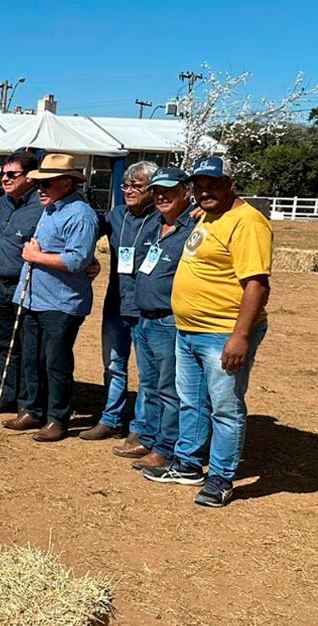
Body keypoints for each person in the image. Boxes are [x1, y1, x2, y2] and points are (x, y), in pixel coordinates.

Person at [143, 157, 273, 508]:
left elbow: (257, 285)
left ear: (231, 183)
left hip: (222, 332)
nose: (204, 191)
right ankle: (187, 463)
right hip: (189, 330)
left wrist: (240, 336)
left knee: (225, 408)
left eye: (212, 184)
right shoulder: (210, 216)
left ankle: (221, 477)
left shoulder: (247, 223)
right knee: (192, 401)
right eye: (198, 186)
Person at [1, 153, 98, 441]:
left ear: (67, 183)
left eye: (48, 183)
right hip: (32, 297)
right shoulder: (51, 208)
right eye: (39, 183)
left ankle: (57, 418)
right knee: (32, 358)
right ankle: (33, 409)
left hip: (61, 302)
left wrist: (36, 256)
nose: (41, 188)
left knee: (55, 362)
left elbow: (77, 260)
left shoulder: (80, 214)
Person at [116, 166, 195, 469]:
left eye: (169, 191)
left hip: (169, 320)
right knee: (148, 384)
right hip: (144, 319)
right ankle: (146, 436)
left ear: (185, 192)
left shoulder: (194, 227)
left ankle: (166, 447)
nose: (162, 196)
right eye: (158, 191)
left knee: (170, 389)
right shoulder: (154, 224)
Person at [81, 161, 159, 441]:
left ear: (152, 189)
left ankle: (141, 428)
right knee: (114, 364)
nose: (128, 190)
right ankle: (110, 419)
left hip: (149, 310)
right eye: (125, 185)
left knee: (149, 374)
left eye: (136, 186)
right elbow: (84, 230)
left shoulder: (162, 218)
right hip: (116, 303)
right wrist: (88, 259)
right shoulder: (116, 215)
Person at [0, 151, 42, 417]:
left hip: (27, 285)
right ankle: (5, 394)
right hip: (0, 285)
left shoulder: (41, 205)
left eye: (11, 175)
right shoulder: (1, 203)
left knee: (28, 347)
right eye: (2, 174)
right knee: (4, 345)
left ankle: (28, 403)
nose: (4, 179)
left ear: (29, 177)